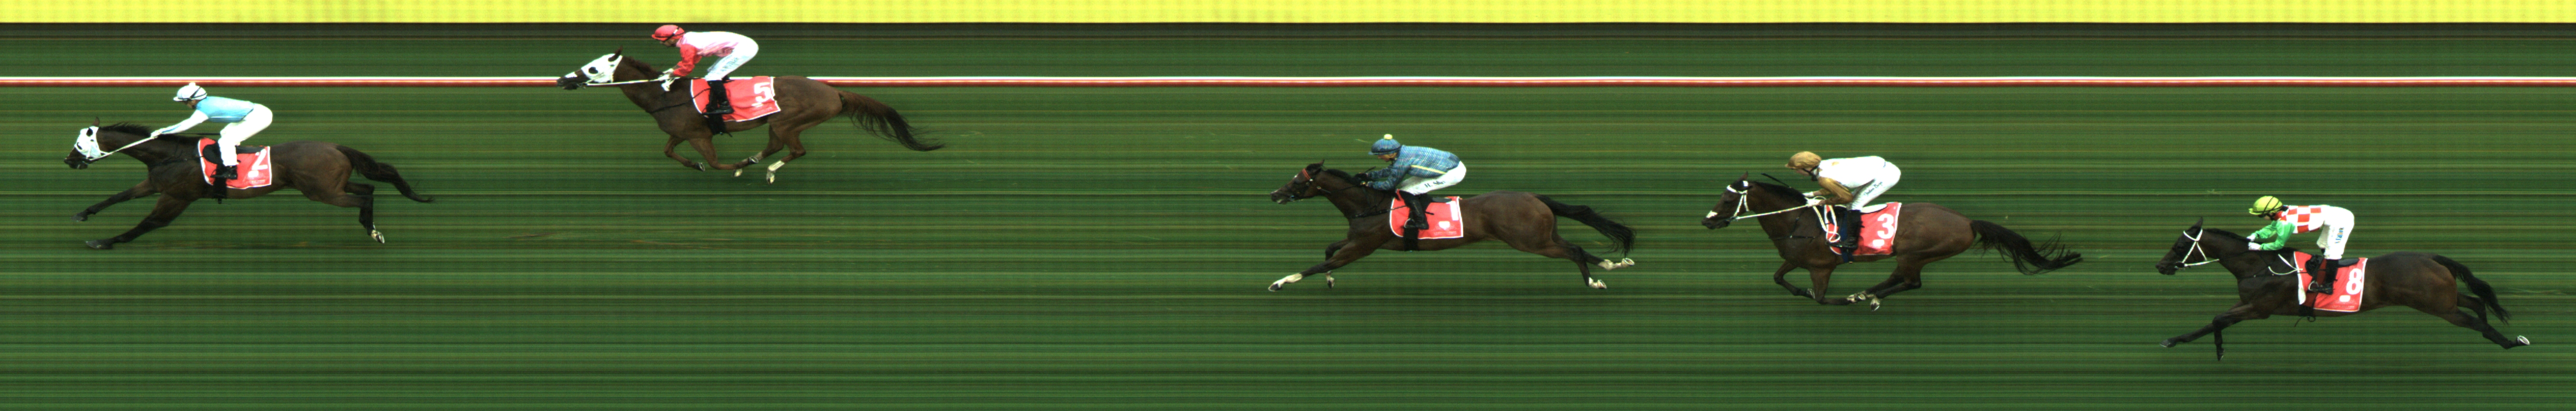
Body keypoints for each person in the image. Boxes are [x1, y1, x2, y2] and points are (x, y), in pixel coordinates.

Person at [151, 83, 272, 183]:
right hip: (256, 112)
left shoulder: (206, 109)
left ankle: (231, 170)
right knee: (225, 132)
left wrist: (162, 132)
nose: (185, 104)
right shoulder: (206, 102)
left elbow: (184, 126)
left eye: (185, 102)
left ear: (193, 101)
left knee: (225, 141)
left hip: (260, 117)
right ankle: (233, 154)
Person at [1784, 151, 1902, 250]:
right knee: (1851, 204)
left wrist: (1820, 202)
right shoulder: (1824, 165)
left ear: (1808, 168)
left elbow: (1846, 198)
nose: (1797, 172)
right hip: (1882, 168)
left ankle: (1852, 242)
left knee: (1854, 205)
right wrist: (1811, 194)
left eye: (1798, 169)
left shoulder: (1824, 178)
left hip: (1886, 176)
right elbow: (1834, 187)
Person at [1354, 134, 1464, 237]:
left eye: (1380, 155)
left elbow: (1388, 186)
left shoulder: (1402, 162)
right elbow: (1392, 170)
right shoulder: (1402, 152)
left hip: (1452, 174)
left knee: (1407, 192)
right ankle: (1422, 204)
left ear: (1391, 154)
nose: (1379, 157)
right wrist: (1369, 175)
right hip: (1450, 164)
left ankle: (1421, 222)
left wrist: (1368, 184)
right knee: (1405, 185)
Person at [2246, 196, 2357, 294]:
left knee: (2332, 253)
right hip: (2335, 215)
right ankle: (2332, 265)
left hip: (2342, 220)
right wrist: (2256, 235)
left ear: (2271, 213)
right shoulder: (2282, 211)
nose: (2262, 218)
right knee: (2322, 244)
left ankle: (2328, 287)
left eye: (2261, 216)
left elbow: (2278, 245)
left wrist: (2260, 247)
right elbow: (2273, 227)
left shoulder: (2285, 223)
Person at [652, 24, 760, 119]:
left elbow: (687, 68)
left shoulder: (687, 46)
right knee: (712, 71)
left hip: (744, 49)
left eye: (662, 40)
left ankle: (725, 106)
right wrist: (671, 71)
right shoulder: (688, 39)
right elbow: (692, 60)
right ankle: (724, 88)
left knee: (713, 76)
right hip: (744, 45)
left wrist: (671, 75)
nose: (661, 43)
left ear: (672, 39)